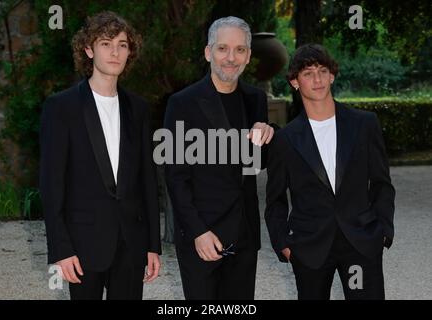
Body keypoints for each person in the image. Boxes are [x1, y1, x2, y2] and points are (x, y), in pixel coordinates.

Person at [39, 11, 161, 300]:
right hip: (82, 246)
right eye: (106, 43)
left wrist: (152, 245)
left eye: (122, 44)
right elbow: (51, 184)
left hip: (131, 244)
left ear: (130, 51)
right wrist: (61, 250)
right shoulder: (61, 108)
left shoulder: (139, 109)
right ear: (88, 49)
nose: (115, 51)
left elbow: (147, 181)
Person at [265, 43, 395, 300]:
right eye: (308, 73)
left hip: (361, 242)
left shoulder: (364, 125)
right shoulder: (285, 139)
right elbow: (275, 200)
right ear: (294, 82)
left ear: (332, 75)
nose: (317, 79)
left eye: (322, 71)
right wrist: (284, 245)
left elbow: (382, 183)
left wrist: (382, 232)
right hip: (309, 248)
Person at [164, 16, 275, 300]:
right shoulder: (183, 103)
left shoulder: (255, 100)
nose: (231, 58)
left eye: (239, 50)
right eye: (223, 48)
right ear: (208, 52)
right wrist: (198, 232)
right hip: (203, 236)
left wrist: (269, 135)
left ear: (248, 56)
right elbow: (176, 177)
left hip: (244, 234)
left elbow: (254, 163)